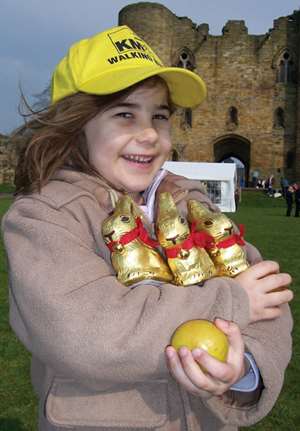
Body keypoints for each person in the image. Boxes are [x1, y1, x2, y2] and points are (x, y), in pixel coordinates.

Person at [2, 25, 293, 431]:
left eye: (160, 115)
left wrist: (242, 370)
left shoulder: (192, 202)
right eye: (125, 114)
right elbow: (88, 332)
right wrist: (232, 303)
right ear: (75, 124)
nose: (150, 134)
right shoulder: (46, 216)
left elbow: (269, 301)